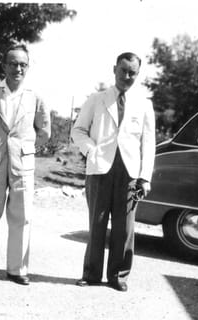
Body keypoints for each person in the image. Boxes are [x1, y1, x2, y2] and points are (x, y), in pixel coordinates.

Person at [71, 52, 155, 292]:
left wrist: (145, 177)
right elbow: (78, 131)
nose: (127, 76)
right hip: (99, 170)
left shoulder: (144, 103)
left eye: (133, 73)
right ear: (114, 69)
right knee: (96, 223)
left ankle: (118, 276)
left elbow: (148, 143)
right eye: (123, 71)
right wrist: (91, 151)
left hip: (129, 173)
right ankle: (91, 274)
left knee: (125, 227)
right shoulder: (97, 99)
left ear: (138, 74)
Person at [0, 44, 50, 286]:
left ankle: (17, 269)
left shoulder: (34, 96)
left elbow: (44, 130)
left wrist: (26, 148)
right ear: (4, 66)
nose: (18, 68)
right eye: (13, 63)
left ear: (28, 67)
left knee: (22, 215)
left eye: (23, 64)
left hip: (22, 164)